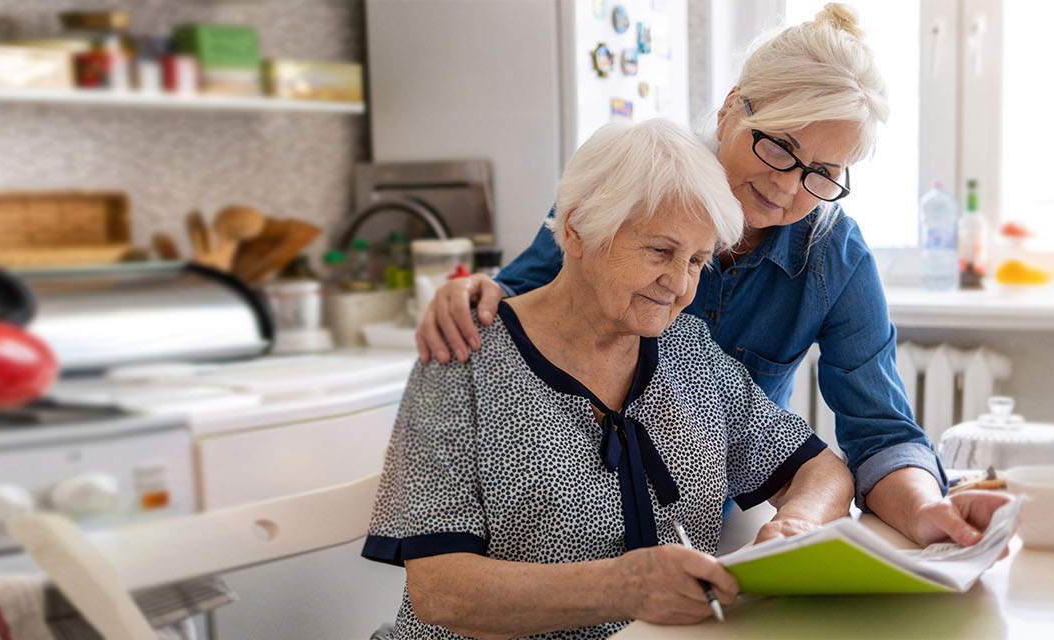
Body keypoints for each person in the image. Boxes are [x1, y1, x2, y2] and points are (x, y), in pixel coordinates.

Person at [415, 4, 1013, 550]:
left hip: (710, 521)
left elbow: (880, 433)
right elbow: (520, 308)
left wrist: (928, 509)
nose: (786, 185)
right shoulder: (633, 188)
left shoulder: (835, 255)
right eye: (780, 145)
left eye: (822, 171)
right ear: (732, 108)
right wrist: (471, 294)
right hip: (569, 521)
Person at [363, 118, 853, 640]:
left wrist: (796, 524)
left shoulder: (688, 350)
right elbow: (441, 590)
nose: (679, 284)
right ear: (575, 229)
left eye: (697, 260)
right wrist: (623, 587)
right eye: (660, 251)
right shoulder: (462, 358)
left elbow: (822, 470)